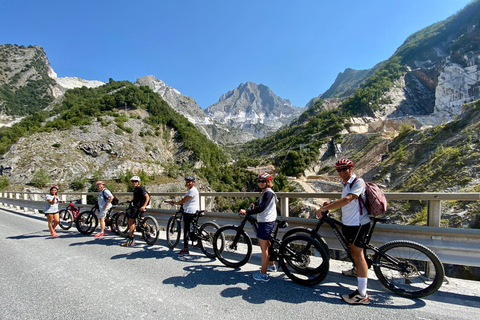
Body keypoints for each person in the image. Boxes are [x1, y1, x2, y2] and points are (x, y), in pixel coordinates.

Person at [316, 158, 371, 305]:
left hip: (358, 223)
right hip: (349, 223)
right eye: (338, 170)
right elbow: (345, 200)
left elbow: (348, 199)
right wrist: (332, 203)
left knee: (358, 255)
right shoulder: (345, 183)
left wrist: (324, 208)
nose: (341, 172)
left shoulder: (358, 182)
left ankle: (362, 294)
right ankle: (356, 270)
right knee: (354, 252)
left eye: (344, 169)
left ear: (350, 169)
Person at [239, 172, 277, 282]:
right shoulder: (266, 192)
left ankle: (264, 275)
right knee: (268, 245)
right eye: (259, 181)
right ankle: (272, 266)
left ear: (268, 182)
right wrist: (254, 204)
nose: (260, 183)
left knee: (264, 249)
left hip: (265, 223)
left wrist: (247, 211)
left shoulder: (268, 193)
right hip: (269, 221)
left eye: (263, 181)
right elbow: (262, 203)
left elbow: (263, 208)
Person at [167, 175, 200, 255]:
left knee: (186, 230)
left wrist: (175, 203)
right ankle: (199, 243)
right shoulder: (193, 190)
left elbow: (184, 201)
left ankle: (185, 249)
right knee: (194, 227)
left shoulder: (192, 191)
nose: (188, 183)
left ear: (193, 183)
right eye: (187, 182)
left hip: (189, 211)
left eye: (189, 182)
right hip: (194, 211)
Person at [121, 176, 150, 247]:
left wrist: (144, 206)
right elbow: (138, 198)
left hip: (138, 207)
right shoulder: (137, 189)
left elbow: (147, 197)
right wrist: (132, 201)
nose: (134, 183)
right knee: (142, 219)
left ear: (138, 182)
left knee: (131, 221)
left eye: (135, 181)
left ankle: (131, 239)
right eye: (132, 182)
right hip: (139, 206)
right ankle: (147, 234)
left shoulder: (140, 188)